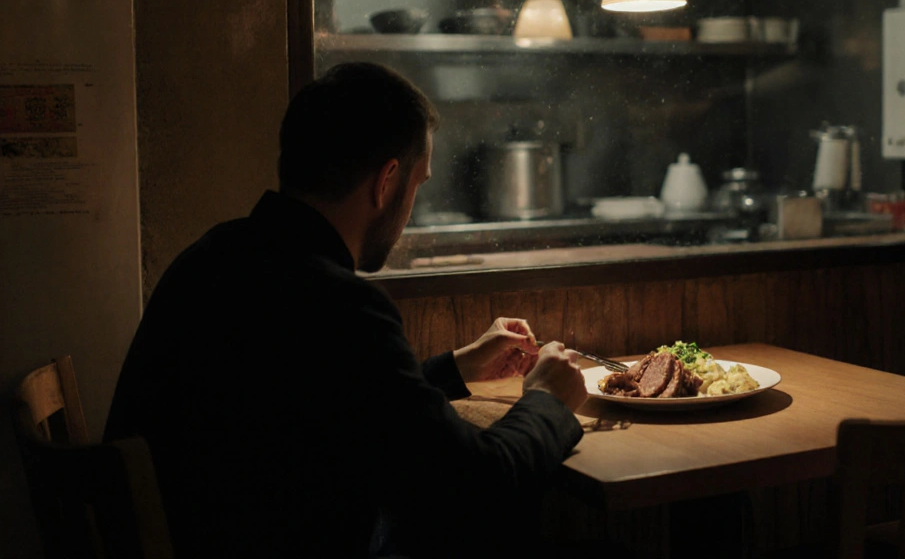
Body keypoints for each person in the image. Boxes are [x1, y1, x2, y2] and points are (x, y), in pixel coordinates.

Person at [104, 62, 588, 558]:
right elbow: (475, 486)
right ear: (387, 182)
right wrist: (547, 399)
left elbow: (339, 397)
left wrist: (455, 368)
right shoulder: (340, 305)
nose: (410, 206)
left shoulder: (213, 257)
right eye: (418, 185)